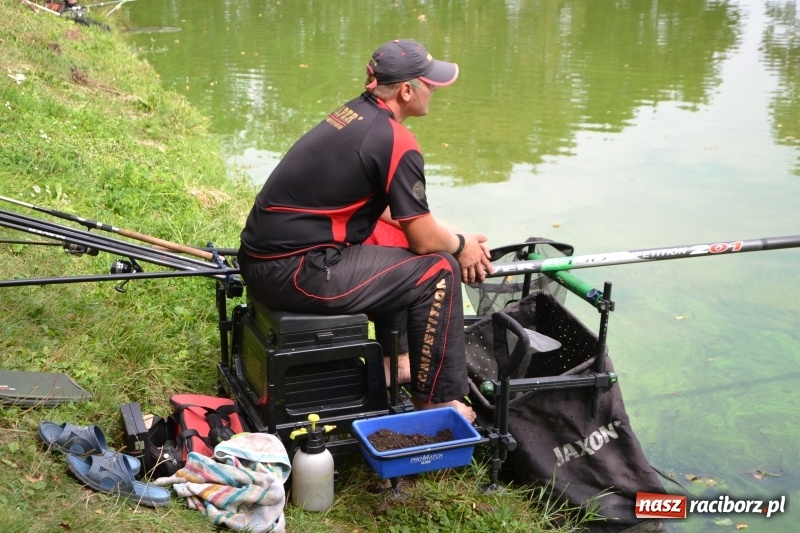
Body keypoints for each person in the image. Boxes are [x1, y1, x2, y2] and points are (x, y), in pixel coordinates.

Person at [238, 39, 493, 422]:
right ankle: (437, 403)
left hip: (267, 262)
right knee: (438, 269)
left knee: (390, 239)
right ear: (407, 91)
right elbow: (425, 241)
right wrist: (461, 247)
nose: (435, 92)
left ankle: (399, 362)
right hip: (297, 270)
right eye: (430, 85)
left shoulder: (354, 114)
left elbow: (391, 212)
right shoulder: (396, 139)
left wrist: (450, 231)